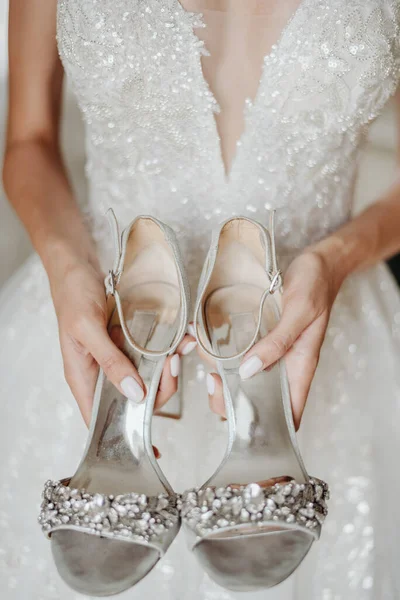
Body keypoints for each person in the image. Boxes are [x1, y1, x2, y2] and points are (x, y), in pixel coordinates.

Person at [1, 1, 400, 598]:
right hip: (107, 305)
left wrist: (332, 259)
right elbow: (28, 139)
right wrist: (67, 267)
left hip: (320, 322)